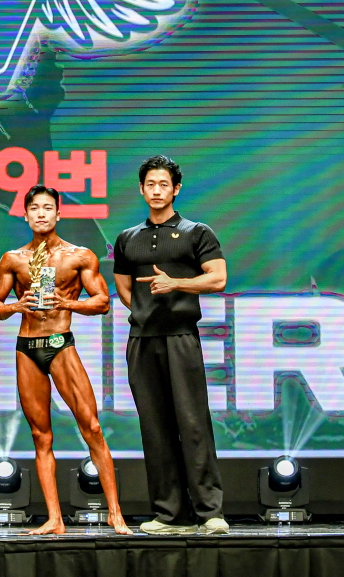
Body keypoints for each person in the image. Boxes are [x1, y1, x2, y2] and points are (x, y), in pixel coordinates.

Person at [0, 186, 132, 535]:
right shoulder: (12, 259)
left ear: (59, 214)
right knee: (40, 436)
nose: (41, 214)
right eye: (34, 208)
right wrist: (15, 306)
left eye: (47, 208)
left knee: (92, 428)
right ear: (25, 214)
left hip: (60, 343)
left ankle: (115, 513)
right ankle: (54, 519)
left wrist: (68, 303)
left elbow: (102, 302)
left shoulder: (79, 256)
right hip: (27, 347)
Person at [112, 155, 230, 535]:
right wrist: (145, 309)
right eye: (150, 184)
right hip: (142, 341)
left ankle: (210, 512)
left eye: (164, 184)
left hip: (182, 337)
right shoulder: (128, 238)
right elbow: (124, 286)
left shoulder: (197, 232)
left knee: (193, 423)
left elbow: (218, 278)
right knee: (155, 428)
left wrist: (176, 284)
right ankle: (170, 515)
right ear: (141, 189)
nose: (157, 190)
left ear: (176, 189)